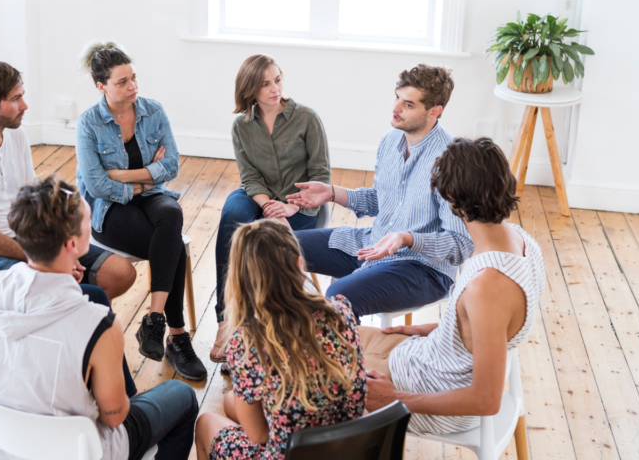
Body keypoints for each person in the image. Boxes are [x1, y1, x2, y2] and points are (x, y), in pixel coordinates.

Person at [0, 176, 199, 460]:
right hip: (79, 451)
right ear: (72, 243)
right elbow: (114, 416)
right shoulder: (97, 324)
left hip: (1, 447)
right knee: (183, 396)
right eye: (86, 221)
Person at [360, 137, 545, 435]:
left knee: (307, 371)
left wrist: (395, 399)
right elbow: (491, 329)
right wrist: (434, 328)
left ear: (451, 200)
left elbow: (485, 400)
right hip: (428, 358)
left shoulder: (488, 286)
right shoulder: (521, 240)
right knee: (326, 335)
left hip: (431, 396)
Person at [286, 64, 472, 321]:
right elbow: (380, 200)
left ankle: (327, 344)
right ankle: (274, 336)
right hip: (372, 245)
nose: (396, 108)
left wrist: (408, 239)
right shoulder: (391, 140)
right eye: (397, 97)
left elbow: (460, 245)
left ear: (434, 111)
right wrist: (331, 193)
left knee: (339, 295)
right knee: (275, 247)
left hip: (422, 269)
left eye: (408, 104)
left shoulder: (452, 160)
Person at [0, 61, 136, 304]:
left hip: (27, 238)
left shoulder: (16, 133)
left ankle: (71, 317)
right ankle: (65, 314)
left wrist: (58, 248)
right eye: (16, 98)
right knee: (50, 290)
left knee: (120, 272)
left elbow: (32, 200)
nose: (24, 105)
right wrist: (50, 260)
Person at [75, 41, 207, 381]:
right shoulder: (88, 123)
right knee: (170, 243)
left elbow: (172, 164)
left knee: (171, 215)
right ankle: (176, 336)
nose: (133, 86)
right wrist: (146, 178)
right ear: (101, 86)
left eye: (133, 78)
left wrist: (124, 176)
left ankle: (154, 318)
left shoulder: (152, 111)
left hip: (151, 197)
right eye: (122, 82)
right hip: (108, 210)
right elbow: (97, 186)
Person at [194, 220, 366, 460]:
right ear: (298, 264)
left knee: (205, 424)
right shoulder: (341, 311)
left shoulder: (247, 344)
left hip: (291, 454)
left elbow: (258, 436)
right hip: (346, 448)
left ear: (240, 280)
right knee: (231, 400)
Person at [210, 54, 331, 364]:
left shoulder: (307, 118)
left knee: (268, 246)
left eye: (277, 80)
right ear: (249, 89)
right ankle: (226, 320)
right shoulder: (241, 126)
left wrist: (290, 207)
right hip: (258, 196)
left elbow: (320, 175)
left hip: (300, 205)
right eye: (265, 84)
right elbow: (249, 176)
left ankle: (269, 332)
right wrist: (267, 206)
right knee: (232, 218)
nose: (275, 88)